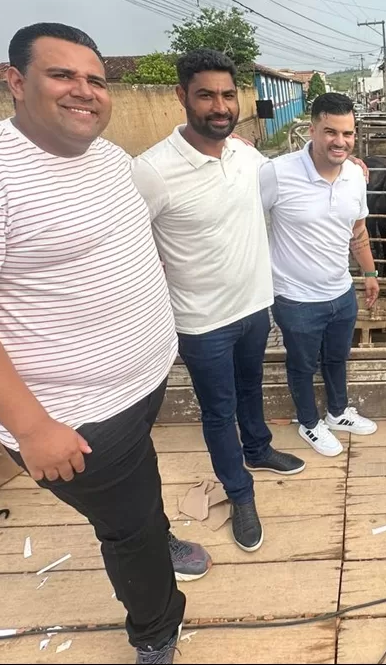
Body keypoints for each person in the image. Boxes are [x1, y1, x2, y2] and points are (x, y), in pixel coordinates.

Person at [0, 23, 209, 665]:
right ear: (16, 82)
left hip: (142, 381)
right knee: (127, 529)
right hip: (72, 414)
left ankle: (158, 536)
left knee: (137, 493)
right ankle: (156, 630)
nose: (83, 91)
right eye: (62, 75)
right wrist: (33, 428)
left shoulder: (110, 160)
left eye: (95, 80)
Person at [131, 49, 305, 556]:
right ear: (181, 96)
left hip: (254, 306)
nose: (220, 106)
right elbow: (131, 244)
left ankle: (258, 449)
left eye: (228, 94)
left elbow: (290, 176)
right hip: (201, 321)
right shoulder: (152, 170)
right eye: (206, 95)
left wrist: (345, 162)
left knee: (250, 389)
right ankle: (240, 494)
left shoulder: (246, 156)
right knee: (218, 410)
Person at [261, 92, 380, 457]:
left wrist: (370, 272)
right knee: (301, 364)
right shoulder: (277, 173)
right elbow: (245, 218)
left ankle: (337, 412)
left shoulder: (355, 176)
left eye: (347, 133)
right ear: (312, 130)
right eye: (330, 132)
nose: (339, 141)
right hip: (295, 298)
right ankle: (309, 422)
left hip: (341, 292)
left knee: (337, 357)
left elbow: (358, 229)